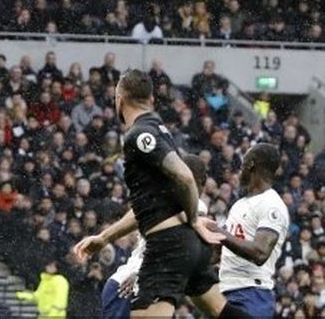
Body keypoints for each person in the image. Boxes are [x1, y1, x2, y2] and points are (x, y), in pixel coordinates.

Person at [73, 69, 247, 319]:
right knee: (219, 309)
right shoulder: (159, 129)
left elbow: (184, 176)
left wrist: (194, 220)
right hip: (188, 246)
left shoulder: (140, 134)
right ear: (152, 100)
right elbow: (149, 205)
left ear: (119, 98)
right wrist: (104, 238)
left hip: (167, 244)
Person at [99, 154, 210, 319]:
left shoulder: (160, 200)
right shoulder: (196, 208)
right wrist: (141, 273)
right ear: (203, 181)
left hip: (131, 285)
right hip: (132, 286)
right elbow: (168, 247)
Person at [202, 143, 289, 319]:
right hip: (225, 290)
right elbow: (221, 251)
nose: (239, 171)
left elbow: (260, 253)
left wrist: (218, 231)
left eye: (242, 165)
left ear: (251, 165)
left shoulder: (272, 204)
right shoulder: (239, 204)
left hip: (252, 293)